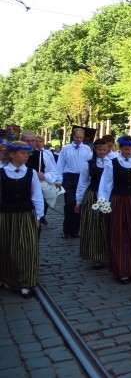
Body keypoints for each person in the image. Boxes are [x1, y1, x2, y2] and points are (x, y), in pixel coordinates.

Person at [98, 136, 131, 283]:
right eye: (126, 149)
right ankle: (122, 270)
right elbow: (106, 184)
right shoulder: (112, 163)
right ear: (120, 149)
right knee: (119, 233)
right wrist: (103, 203)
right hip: (118, 200)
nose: (129, 152)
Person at [0, 141, 45, 298]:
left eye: (27, 153)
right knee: (6, 247)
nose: (26, 156)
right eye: (22, 153)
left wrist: (38, 216)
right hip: (6, 216)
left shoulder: (31, 173)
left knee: (26, 249)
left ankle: (25, 283)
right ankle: (6, 278)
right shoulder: (2, 172)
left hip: (26, 214)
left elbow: (37, 196)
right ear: (12, 155)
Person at [75, 139, 111, 269]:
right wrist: (79, 200)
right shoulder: (89, 164)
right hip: (93, 195)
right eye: (100, 149)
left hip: (107, 195)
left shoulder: (111, 163)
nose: (102, 152)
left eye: (104, 149)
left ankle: (109, 252)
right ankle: (95, 255)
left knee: (107, 224)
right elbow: (83, 182)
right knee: (93, 225)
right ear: (95, 150)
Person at [55, 127, 93, 238]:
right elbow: (60, 164)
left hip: (82, 177)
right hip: (69, 177)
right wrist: (59, 179)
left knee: (79, 203)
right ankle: (66, 230)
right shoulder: (66, 148)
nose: (79, 139)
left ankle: (75, 230)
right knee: (69, 203)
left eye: (81, 137)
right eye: (77, 137)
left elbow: (89, 163)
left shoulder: (87, 149)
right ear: (73, 136)